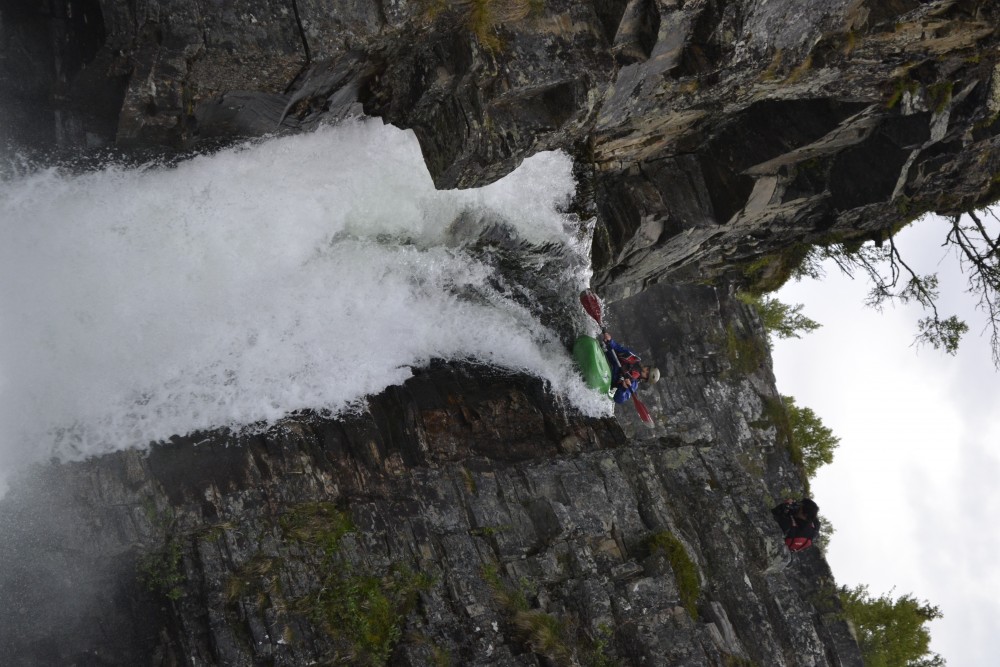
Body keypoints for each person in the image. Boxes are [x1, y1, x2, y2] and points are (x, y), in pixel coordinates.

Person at [600, 332, 660, 404]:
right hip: (606, 358)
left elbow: (619, 400)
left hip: (607, 378)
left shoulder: (633, 385)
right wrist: (610, 341)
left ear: (645, 379)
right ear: (647, 366)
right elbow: (620, 348)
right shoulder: (635, 358)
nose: (645, 371)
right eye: (647, 369)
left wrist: (624, 388)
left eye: (647, 374)